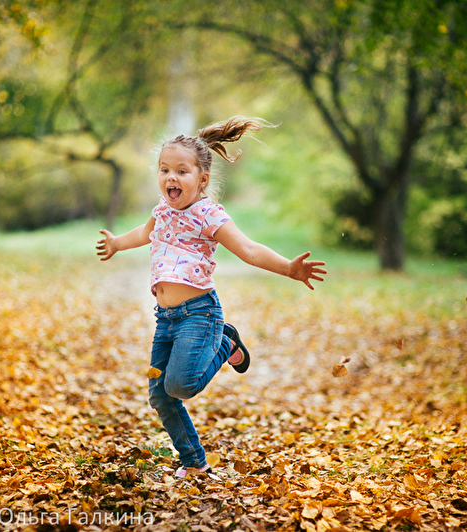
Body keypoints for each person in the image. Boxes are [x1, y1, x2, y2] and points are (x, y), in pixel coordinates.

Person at [96, 116, 326, 479]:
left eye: (182, 171)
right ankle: (195, 463)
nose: (171, 177)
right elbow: (144, 232)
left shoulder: (208, 214)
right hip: (166, 319)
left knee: (181, 385)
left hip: (199, 315)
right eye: (165, 169)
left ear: (202, 179)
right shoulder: (162, 211)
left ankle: (225, 342)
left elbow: (248, 249)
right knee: (160, 395)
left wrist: (289, 268)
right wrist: (116, 244)